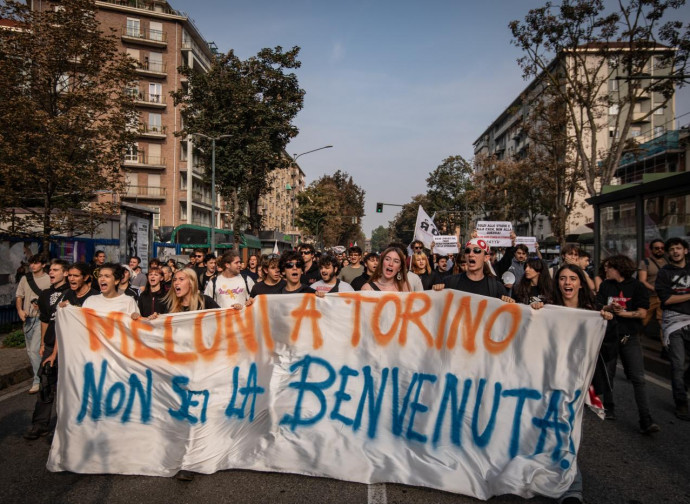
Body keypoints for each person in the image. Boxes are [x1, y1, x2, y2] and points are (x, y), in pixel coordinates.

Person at [537, 263, 613, 504]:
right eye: (562, 278)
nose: (567, 283)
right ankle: (548, 478)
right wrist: (534, 312)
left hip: (580, 383)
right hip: (551, 379)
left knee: (567, 431)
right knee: (553, 431)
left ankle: (572, 489)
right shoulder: (548, 309)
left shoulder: (594, 311)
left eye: (572, 278)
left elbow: (609, 351)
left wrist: (607, 322)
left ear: (581, 282)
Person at [596, 255, 659, 434]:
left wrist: (623, 313)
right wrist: (609, 308)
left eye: (608, 267)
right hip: (609, 337)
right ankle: (608, 408)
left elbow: (642, 312)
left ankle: (646, 419)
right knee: (608, 374)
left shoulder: (637, 287)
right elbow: (598, 306)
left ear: (618, 268)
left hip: (629, 337)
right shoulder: (605, 285)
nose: (605, 270)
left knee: (638, 379)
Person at [23, 259, 70, 440]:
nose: (51, 273)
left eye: (56, 270)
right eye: (50, 270)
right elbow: (44, 320)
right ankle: (40, 424)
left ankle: (67, 425)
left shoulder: (71, 294)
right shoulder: (45, 294)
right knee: (45, 384)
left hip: (69, 346)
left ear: (65, 273)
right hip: (50, 345)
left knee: (67, 387)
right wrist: (43, 343)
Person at [654, 237, 690, 421]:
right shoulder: (664, 273)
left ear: (686, 251)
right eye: (672, 249)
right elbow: (666, 300)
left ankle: (683, 387)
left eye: (679, 248)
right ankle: (681, 402)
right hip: (673, 323)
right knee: (677, 365)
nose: (675, 251)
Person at [433, 238, 513, 302]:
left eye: (476, 251)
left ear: (486, 258)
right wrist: (435, 292)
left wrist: (508, 303)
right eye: (467, 251)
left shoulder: (497, 288)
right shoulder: (449, 282)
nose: (471, 254)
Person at [15, 254, 50, 394]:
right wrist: (19, 310)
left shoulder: (49, 279)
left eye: (36, 263)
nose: (33, 266)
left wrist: (42, 306)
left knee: (35, 350)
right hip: (28, 318)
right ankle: (45, 375)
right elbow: (19, 296)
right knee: (30, 351)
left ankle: (38, 380)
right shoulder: (25, 278)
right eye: (31, 263)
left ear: (43, 264)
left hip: (42, 319)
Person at [638, 239, 667, 347]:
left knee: (662, 323)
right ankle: (635, 341)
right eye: (656, 248)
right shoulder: (645, 262)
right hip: (650, 297)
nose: (659, 250)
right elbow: (642, 280)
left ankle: (666, 348)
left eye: (662, 248)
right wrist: (655, 289)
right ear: (651, 250)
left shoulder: (667, 262)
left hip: (663, 298)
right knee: (643, 320)